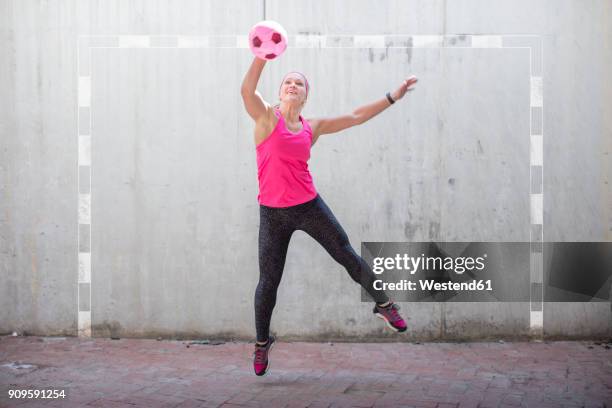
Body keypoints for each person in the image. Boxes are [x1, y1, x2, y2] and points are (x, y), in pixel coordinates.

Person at [240, 56, 418, 376]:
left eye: (299, 84)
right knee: (268, 282)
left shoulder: (313, 127)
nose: (293, 86)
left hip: (309, 206)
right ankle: (262, 344)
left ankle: (384, 305)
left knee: (346, 254)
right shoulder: (266, 118)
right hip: (273, 214)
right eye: (288, 82)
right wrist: (261, 56)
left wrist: (394, 96)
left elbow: (355, 116)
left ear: (305, 96)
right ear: (280, 93)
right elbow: (247, 91)